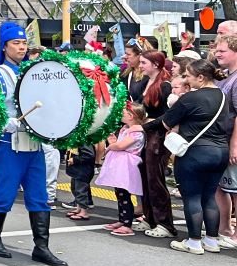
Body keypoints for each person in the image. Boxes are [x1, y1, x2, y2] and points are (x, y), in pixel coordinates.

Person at [0, 22, 68, 266]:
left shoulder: (31, 71)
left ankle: (41, 247)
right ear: (4, 46)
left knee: (39, 196)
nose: (21, 47)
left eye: (23, 43)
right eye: (15, 44)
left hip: (34, 142)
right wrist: (2, 121)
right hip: (8, 141)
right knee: (4, 194)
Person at [160, 60, 234, 254]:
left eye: (188, 76)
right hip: (220, 151)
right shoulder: (223, 95)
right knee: (209, 196)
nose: (187, 79)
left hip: (195, 152)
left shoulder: (190, 98)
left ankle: (193, 242)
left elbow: (167, 123)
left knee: (192, 197)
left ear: (200, 77)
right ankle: (211, 240)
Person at [134, 51, 177, 238]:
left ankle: (165, 223)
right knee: (144, 177)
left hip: (158, 136)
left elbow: (168, 115)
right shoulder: (146, 82)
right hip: (147, 134)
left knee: (155, 179)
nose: (140, 65)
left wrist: (147, 123)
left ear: (156, 65)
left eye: (144, 62)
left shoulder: (165, 86)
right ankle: (150, 217)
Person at [97, 104, 147, 236]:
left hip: (127, 166)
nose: (120, 114)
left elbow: (121, 145)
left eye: (123, 113)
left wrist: (112, 145)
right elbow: (118, 144)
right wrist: (113, 142)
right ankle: (122, 220)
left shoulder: (136, 132)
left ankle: (127, 224)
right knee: (119, 194)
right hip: (121, 165)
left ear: (131, 116)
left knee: (124, 194)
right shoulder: (126, 128)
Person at [209, 35, 237, 248]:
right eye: (217, 50)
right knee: (221, 187)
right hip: (221, 140)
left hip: (231, 142)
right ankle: (224, 228)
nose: (217, 54)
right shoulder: (225, 76)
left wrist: (234, 144)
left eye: (222, 50)